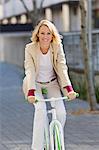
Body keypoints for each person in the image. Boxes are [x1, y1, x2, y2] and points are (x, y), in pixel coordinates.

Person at [23, 19, 77, 150]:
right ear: (37, 35)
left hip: (52, 83)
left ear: (52, 35)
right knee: (40, 110)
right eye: (42, 33)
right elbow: (29, 70)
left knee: (61, 112)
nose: (45, 36)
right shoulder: (30, 48)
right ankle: (37, 147)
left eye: (48, 33)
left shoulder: (57, 47)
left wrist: (69, 89)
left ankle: (54, 140)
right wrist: (30, 92)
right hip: (35, 84)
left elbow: (62, 67)